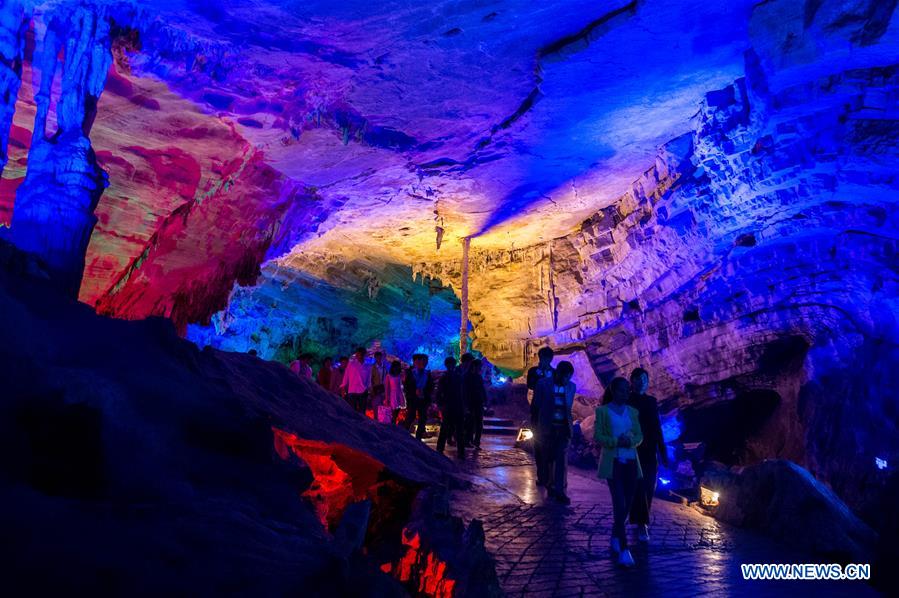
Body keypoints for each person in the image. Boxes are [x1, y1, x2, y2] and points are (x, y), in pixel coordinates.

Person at [595, 377, 643, 568]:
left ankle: (615, 534)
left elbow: (639, 435)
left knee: (627, 504)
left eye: (627, 390)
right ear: (614, 391)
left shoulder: (633, 412)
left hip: (631, 461)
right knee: (619, 502)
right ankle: (624, 548)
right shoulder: (603, 411)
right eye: (622, 390)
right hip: (613, 463)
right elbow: (598, 435)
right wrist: (616, 441)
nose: (626, 393)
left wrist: (630, 441)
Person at [628, 367, 668, 542]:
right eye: (638, 379)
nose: (642, 382)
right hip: (632, 449)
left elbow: (657, 427)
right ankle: (640, 521)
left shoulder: (652, 401)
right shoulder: (627, 400)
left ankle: (641, 521)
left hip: (649, 450)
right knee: (636, 487)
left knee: (648, 487)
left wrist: (663, 451)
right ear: (632, 381)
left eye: (644, 379)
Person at [533, 360, 575, 504]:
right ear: (558, 373)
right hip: (547, 428)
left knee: (562, 460)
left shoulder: (571, 387)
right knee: (548, 459)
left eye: (568, 376)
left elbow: (568, 408)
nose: (566, 379)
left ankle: (560, 491)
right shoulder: (543, 384)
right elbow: (537, 404)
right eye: (564, 376)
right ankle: (549, 485)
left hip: (563, 429)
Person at [527, 346, 555, 486]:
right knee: (537, 443)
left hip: (550, 412)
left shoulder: (555, 373)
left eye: (548, 358)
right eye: (543, 358)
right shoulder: (533, 371)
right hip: (537, 412)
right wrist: (540, 375)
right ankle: (541, 475)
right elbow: (530, 385)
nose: (545, 360)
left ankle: (550, 476)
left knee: (550, 444)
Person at [435, 356, 465, 458]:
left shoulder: (456, 376)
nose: (451, 366)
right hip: (450, 405)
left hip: (454, 405)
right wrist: (440, 404)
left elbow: (461, 392)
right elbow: (439, 392)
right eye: (450, 364)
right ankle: (442, 448)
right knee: (448, 427)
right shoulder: (448, 377)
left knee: (456, 428)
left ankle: (459, 450)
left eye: (452, 364)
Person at [404, 354, 433, 439]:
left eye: (424, 361)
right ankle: (404, 435)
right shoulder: (410, 373)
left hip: (423, 400)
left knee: (423, 418)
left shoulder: (427, 373)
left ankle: (418, 438)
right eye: (419, 361)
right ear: (415, 362)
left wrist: (424, 392)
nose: (422, 363)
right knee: (410, 417)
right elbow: (407, 387)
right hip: (413, 399)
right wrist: (414, 392)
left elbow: (430, 386)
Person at [463, 359, 487, 449]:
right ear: (474, 366)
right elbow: (465, 391)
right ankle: (468, 440)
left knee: (479, 423)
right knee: (470, 423)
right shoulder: (467, 377)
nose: (480, 368)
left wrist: (484, 399)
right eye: (479, 366)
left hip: (478, 402)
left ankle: (476, 442)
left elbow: (482, 389)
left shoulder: (478, 377)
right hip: (471, 402)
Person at [341, 348, 369, 412]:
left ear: (364, 355)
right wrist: (343, 387)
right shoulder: (351, 364)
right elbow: (346, 376)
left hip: (363, 391)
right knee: (352, 411)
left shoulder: (367, 366)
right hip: (352, 390)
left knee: (362, 411)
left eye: (361, 354)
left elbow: (368, 379)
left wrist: (368, 389)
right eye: (358, 354)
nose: (359, 355)